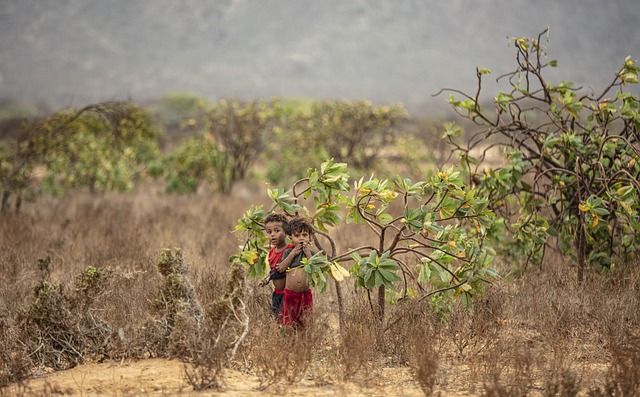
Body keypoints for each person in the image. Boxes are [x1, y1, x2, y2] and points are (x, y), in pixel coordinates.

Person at [276, 216, 316, 329]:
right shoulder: (288, 252)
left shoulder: (311, 253)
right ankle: (289, 343)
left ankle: (305, 342)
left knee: (306, 322)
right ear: (291, 238)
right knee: (288, 322)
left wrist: (308, 253)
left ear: (309, 237)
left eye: (304, 235)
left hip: (305, 294)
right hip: (290, 294)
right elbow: (282, 268)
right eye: (297, 236)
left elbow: (314, 268)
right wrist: (293, 253)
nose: (301, 239)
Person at [260, 213, 294, 320]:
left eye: (277, 231)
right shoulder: (271, 252)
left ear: (286, 232)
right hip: (277, 294)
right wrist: (267, 278)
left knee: (288, 320)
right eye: (269, 232)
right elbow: (273, 271)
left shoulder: (291, 249)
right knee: (277, 320)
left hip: (288, 293)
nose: (272, 235)